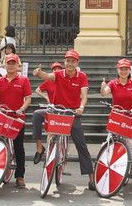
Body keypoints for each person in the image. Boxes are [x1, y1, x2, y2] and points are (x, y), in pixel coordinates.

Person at [33, 50, 93, 188]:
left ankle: (91, 178)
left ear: (77, 63)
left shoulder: (82, 76)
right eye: (68, 61)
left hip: (72, 114)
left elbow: (84, 96)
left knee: (82, 146)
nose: (70, 64)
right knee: (37, 114)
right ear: (64, 62)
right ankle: (39, 148)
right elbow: (48, 76)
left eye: (73, 61)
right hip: (56, 111)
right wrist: (39, 73)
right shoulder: (59, 74)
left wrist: (81, 108)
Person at [0, 53, 31, 188]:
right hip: (2, 117)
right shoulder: (0, 80)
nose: (11, 66)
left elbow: (28, 99)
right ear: (5, 65)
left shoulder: (24, 80)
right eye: (9, 63)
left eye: (13, 63)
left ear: (18, 66)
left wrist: (21, 109)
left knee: (19, 147)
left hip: (16, 119)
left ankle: (20, 176)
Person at [100, 59, 132, 190]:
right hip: (117, 117)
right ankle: (115, 172)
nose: (124, 71)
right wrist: (103, 86)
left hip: (129, 118)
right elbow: (104, 93)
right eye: (121, 69)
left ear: (129, 71)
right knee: (112, 145)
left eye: (126, 69)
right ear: (117, 70)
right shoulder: (113, 83)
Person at [30, 61, 61, 163]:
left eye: (58, 69)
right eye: (54, 69)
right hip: (51, 108)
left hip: (63, 109)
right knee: (37, 115)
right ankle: (40, 148)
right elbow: (37, 90)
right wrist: (46, 97)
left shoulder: (64, 80)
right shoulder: (48, 81)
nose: (56, 71)